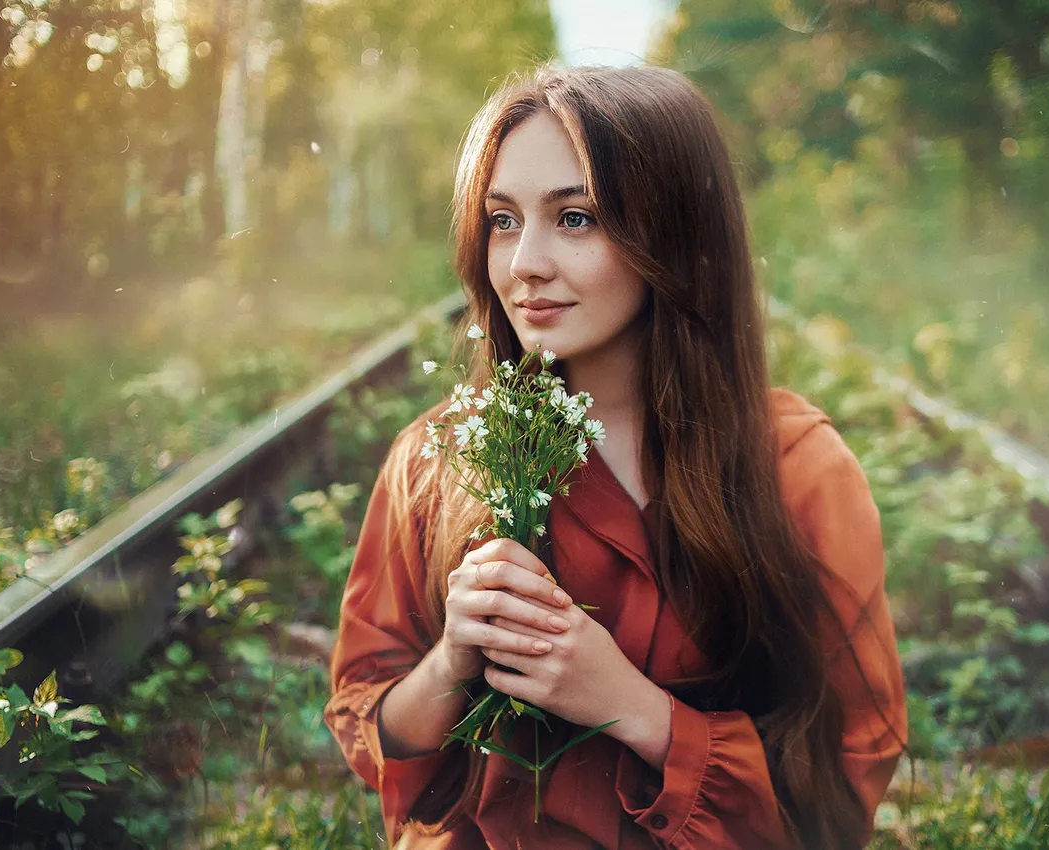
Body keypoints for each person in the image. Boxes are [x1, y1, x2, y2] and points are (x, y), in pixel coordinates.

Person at [324, 64, 906, 850]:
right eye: (502, 220)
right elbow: (370, 724)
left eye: (575, 218)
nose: (524, 262)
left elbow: (847, 777)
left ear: (674, 236)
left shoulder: (799, 469)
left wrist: (632, 706)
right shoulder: (437, 461)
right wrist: (451, 660)